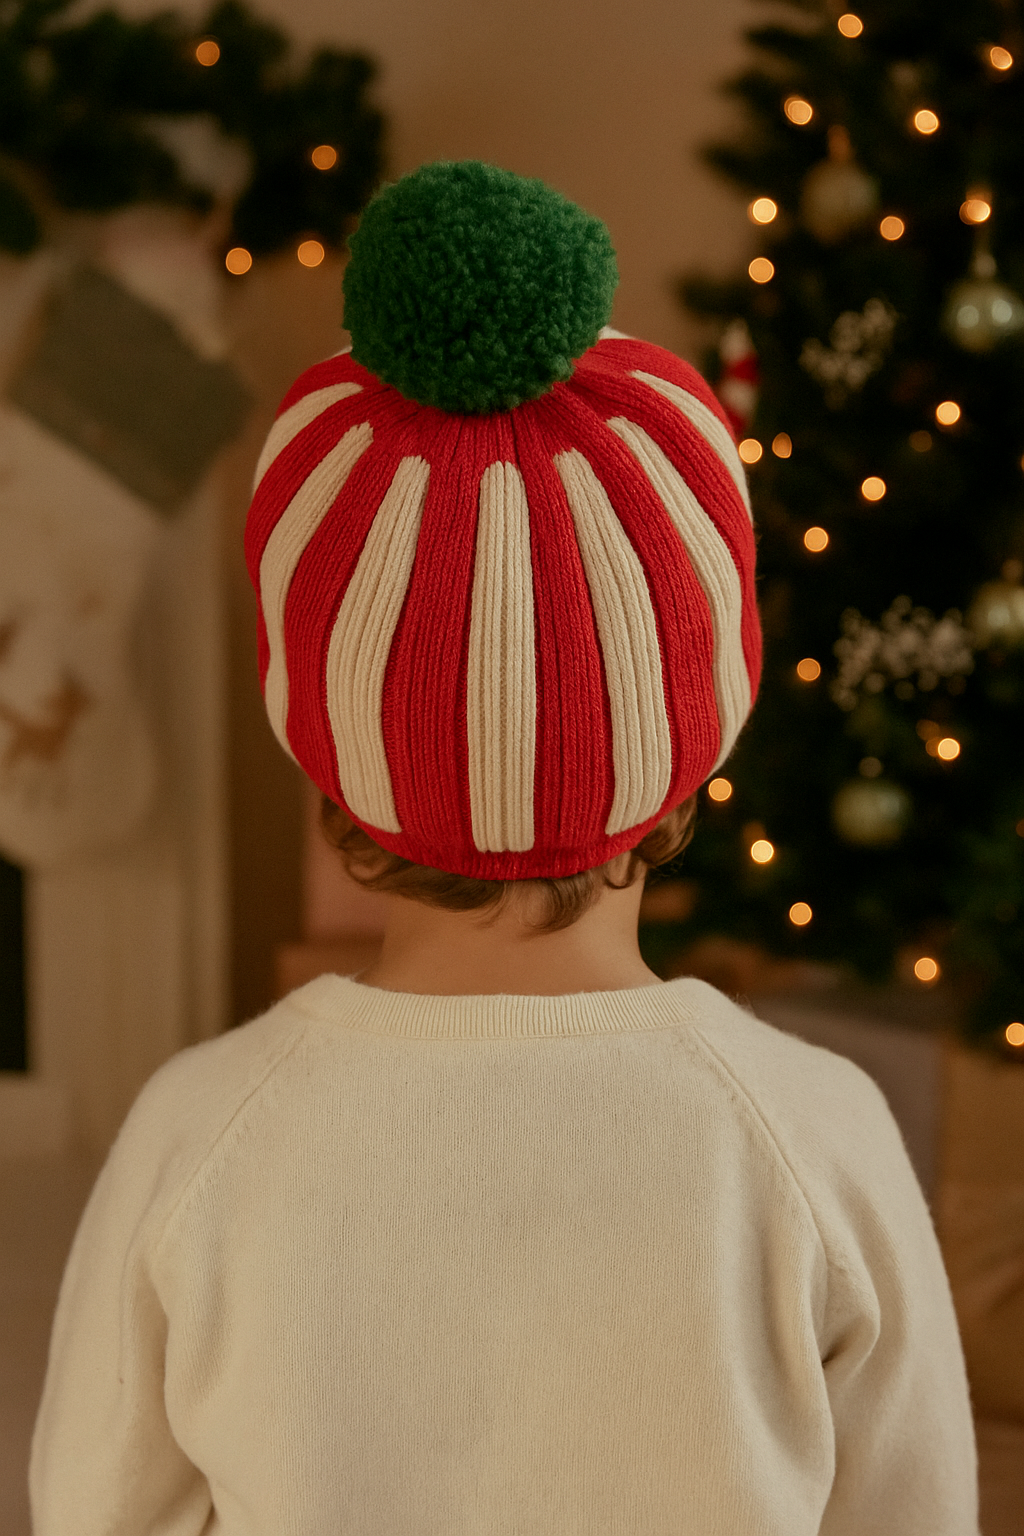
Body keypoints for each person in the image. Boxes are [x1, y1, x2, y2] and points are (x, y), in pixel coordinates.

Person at [29, 160, 979, 1535]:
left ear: (331, 750)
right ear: (696, 736)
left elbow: (97, 1514)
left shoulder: (200, 1132)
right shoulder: (812, 1137)